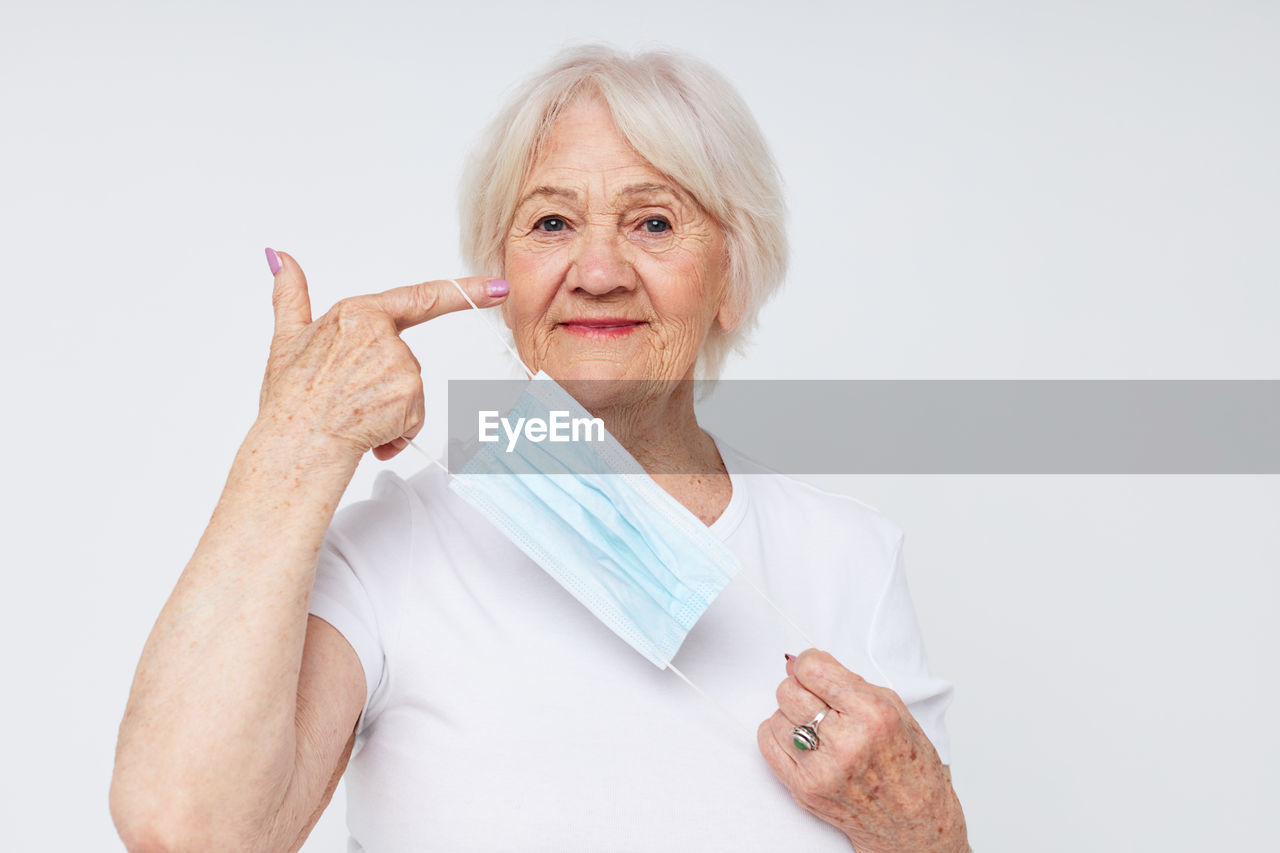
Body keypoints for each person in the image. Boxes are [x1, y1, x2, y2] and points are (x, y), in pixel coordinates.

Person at [110, 45, 970, 852]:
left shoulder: (849, 554)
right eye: (553, 223)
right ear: (502, 280)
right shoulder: (396, 546)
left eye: (655, 223)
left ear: (731, 281)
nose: (597, 271)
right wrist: (298, 439)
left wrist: (928, 828)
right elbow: (184, 827)